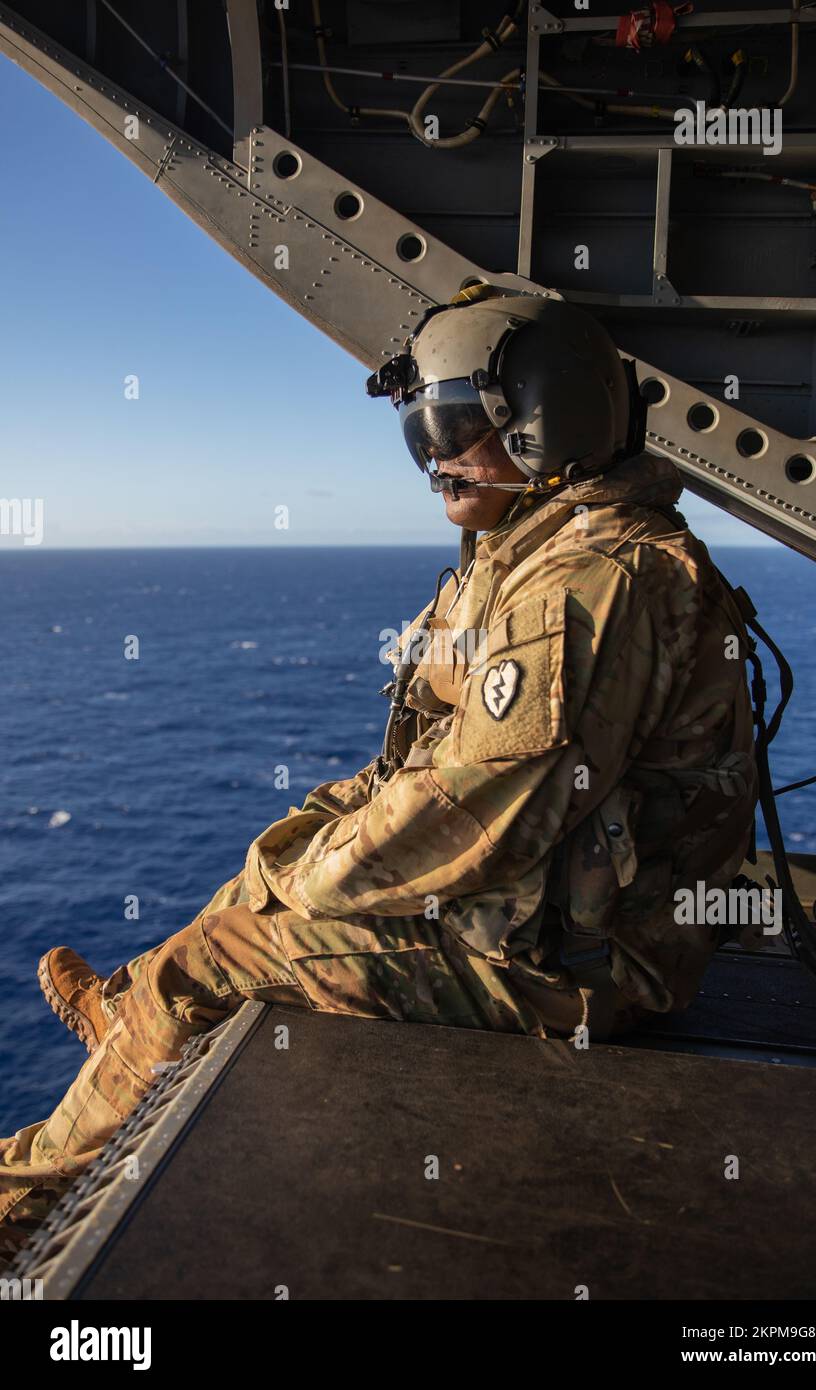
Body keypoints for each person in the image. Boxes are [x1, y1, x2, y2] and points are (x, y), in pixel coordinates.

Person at [0, 288, 757, 1266]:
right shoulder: (535, 551)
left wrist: (299, 884)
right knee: (264, 865)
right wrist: (296, 849)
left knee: (221, 954)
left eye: (448, 424)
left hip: (582, 973)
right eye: (419, 430)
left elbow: (472, 816)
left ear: (538, 424)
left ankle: (24, 1193)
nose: (430, 456)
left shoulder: (590, 584)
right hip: (543, 911)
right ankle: (128, 1025)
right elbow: (434, 716)